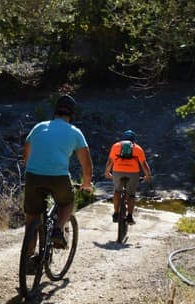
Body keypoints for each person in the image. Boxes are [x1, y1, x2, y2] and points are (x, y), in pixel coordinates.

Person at [21, 94, 93, 250]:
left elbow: (26, 153)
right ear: (72, 114)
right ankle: (59, 229)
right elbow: (86, 165)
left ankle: (29, 260)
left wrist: (33, 170)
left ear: (55, 112)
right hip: (58, 178)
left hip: (33, 176)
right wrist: (87, 183)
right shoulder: (75, 132)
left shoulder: (39, 127)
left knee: (32, 218)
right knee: (67, 201)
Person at [103, 129, 152, 225]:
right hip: (133, 173)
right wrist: (148, 175)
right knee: (131, 194)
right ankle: (129, 216)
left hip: (117, 172)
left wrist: (107, 172)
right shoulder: (138, 148)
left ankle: (116, 213)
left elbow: (110, 162)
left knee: (117, 190)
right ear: (133, 140)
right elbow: (144, 164)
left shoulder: (116, 146)